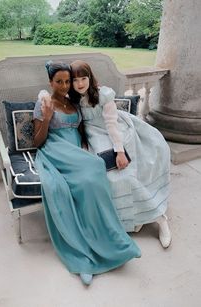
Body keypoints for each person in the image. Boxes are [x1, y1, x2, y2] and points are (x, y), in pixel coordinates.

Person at [33, 62, 141, 286]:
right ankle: (83, 255)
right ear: (50, 83)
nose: (64, 86)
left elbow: (82, 126)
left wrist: (84, 145)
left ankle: (113, 241)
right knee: (71, 185)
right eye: (59, 82)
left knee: (95, 169)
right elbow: (37, 141)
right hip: (55, 150)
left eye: (66, 81)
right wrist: (46, 116)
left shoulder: (73, 99)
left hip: (76, 150)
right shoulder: (44, 102)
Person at [69, 60, 172, 248]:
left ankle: (159, 218)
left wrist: (119, 151)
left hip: (115, 133)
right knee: (104, 178)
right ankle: (135, 217)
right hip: (93, 138)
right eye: (75, 80)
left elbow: (111, 125)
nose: (80, 83)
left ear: (90, 78)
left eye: (84, 78)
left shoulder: (102, 95)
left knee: (122, 175)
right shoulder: (73, 98)